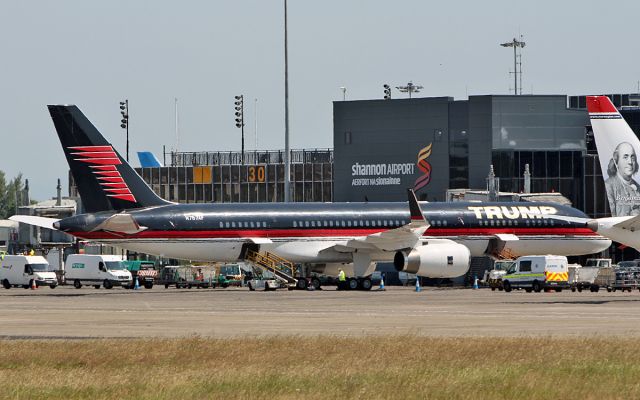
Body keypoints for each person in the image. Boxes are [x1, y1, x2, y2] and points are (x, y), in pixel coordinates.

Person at [604, 141, 640, 216]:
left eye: (632, 157)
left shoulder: (638, 187)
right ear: (616, 162)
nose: (630, 162)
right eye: (625, 157)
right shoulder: (609, 186)